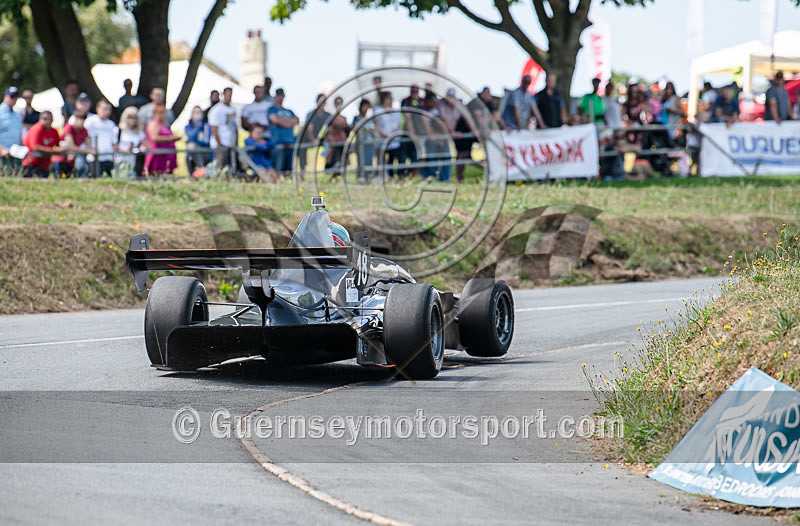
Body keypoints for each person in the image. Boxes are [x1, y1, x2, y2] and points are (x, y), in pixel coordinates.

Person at [267, 88, 299, 175]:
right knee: (278, 169)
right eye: (278, 95)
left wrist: (282, 121)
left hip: (290, 143)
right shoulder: (272, 110)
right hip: (278, 143)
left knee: (289, 170)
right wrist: (288, 122)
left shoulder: (289, 111)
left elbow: (296, 120)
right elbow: (275, 120)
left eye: (281, 95)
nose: (280, 97)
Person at [53, 111, 93, 178]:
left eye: (83, 119)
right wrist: (86, 151)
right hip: (62, 160)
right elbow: (70, 146)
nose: (82, 122)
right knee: (61, 179)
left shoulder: (83, 130)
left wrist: (87, 150)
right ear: (75, 119)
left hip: (73, 161)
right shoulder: (68, 128)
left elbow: (89, 146)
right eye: (80, 119)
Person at [84, 100, 119, 177]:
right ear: (97, 109)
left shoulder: (111, 124)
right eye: (104, 109)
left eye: (108, 109)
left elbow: (114, 143)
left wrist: (115, 157)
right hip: (94, 158)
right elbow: (86, 138)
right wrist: (91, 150)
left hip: (108, 157)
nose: (106, 111)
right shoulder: (90, 121)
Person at [22, 111, 61, 178]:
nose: (48, 121)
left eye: (50, 119)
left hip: (45, 165)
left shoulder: (54, 131)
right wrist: (52, 151)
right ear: (40, 119)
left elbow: (58, 145)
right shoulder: (36, 129)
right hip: (31, 164)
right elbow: (35, 147)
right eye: (45, 119)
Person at [208, 87, 238, 173]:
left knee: (231, 168)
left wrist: (235, 142)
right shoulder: (216, 110)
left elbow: (235, 127)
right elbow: (214, 128)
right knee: (219, 168)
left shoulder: (233, 109)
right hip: (220, 145)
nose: (229, 97)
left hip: (231, 144)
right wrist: (220, 144)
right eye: (227, 94)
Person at [144, 105, 179, 176]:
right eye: (159, 113)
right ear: (154, 114)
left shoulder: (162, 125)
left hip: (166, 157)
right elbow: (154, 138)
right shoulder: (153, 124)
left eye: (163, 113)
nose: (162, 116)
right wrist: (171, 138)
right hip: (158, 157)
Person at [299, 93, 330, 174]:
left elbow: (329, 129)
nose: (323, 103)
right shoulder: (311, 114)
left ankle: (329, 171)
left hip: (322, 139)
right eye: (321, 101)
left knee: (332, 145)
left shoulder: (327, 115)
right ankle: (303, 171)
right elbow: (309, 129)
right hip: (308, 139)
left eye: (324, 101)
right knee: (302, 147)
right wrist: (313, 140)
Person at [375, 91, 402, 178]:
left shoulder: (396, 111)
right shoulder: (378, 110)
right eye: (388, 98)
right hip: (382, 141)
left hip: (394, 141)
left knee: (393, 159)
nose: (390, 100)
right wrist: (383, 135)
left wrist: (394, 135)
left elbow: (399, 125)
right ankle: (382, 177)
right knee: (381, 160)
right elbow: (376, 126)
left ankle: (393, 176)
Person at [117, 106, 145, 178]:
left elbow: (143, 143)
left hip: (134, 162)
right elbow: (113, 145)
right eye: (129, 117)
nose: (132, 120)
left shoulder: (139, 132)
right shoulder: (118, 130)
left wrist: (142, 147)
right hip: (120, 161)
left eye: (134, 117)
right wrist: (124, 149)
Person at [352, 98, 375, 182]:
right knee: (361, 161)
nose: (366, 108)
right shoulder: (356, 118)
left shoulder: (370, 118)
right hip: (361, 143)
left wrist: (367, 131)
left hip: (370, 143)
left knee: (369, 161)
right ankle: (361, 178)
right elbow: (355, 130)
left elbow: (373, 130)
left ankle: (369, 178)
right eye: (364, 106)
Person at [325, 96, 349, 178]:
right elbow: (329, 130)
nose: (339, 105)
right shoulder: (331, 118)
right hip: (334, 143)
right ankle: (331, 177)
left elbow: (346, 129)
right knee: (333, 161)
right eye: (337, 103)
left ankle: (341, 178)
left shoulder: (344, 118)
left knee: (342, 161)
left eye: (340, 103)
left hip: (342, 142)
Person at [184, 105, 212, 175]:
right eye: (195, 113)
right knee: (190, 148)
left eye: (199, 113)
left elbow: (206, 142)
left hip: (205, 153)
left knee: (192, 146)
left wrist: (194, 142)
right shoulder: (187, 127)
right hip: (191, 154)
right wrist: (197, 126)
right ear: (192, 115)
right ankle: (195, 174)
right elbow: (191, 136)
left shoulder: (206, 126)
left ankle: (201, 170)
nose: (197, 115)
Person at [0, 87, 23, 170]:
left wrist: (22, 148)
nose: (14, 99)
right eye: (11, 96)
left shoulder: (17, 115)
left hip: (16, 155)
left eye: (16, 97)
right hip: (2, 155)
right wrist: (2, 150)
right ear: (5, 97)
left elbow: (19, 134)